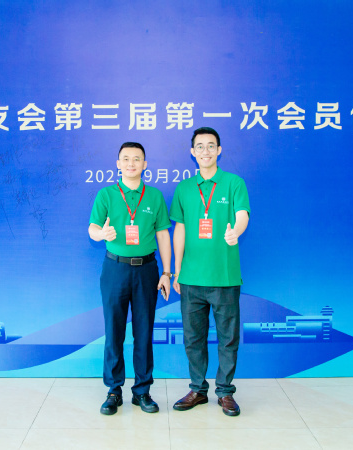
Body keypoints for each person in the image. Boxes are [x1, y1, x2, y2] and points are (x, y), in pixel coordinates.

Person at [170, 127, 250, 416]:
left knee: (228, 338)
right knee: (193, 338)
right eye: (200, 146)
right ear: (193, 152)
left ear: (219, 150)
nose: (206, 151)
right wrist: (177, 270)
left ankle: (225, 392)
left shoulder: (233, 183)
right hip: (191, 279)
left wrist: (235, 232)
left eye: (211, 145)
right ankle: (197, 389)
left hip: (224, 277)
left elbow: (242, 215)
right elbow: (179, 229)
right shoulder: (184, 188)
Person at [88, 142, 173, 415]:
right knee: (114, 331)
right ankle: (114, 390)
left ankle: (142, 391)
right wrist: (102, 234)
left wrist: (167, 272)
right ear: (118, 164)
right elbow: (92, 228)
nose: (131, 163)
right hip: (115, 268)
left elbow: (163, 234)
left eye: (137, 159)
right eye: (126, 159)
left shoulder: (154, 196)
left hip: (147, 270)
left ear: (145, 164)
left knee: (144, 332)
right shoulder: (106, 194)